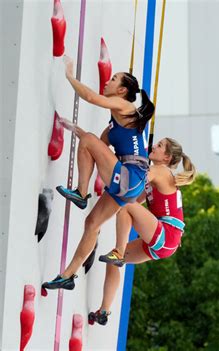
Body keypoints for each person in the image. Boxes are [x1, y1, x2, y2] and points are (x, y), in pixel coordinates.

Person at [42, 56, 155, 291]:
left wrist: (70, 76)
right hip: (129, 183)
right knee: (92, 223)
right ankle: (67, 275)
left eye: (113, 79)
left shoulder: (125, 106)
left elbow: (92, 98)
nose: (108, 81)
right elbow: (96, 148)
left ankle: (81, 194)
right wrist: (75, 130)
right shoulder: (114, 124)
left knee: (89, 140)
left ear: (122, 90)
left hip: (130, 177)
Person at [88, 138, 196, 326]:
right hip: (165, 242)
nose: (154, 146)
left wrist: (120, 160)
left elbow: (130, 184)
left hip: (167, 233)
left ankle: (118, 253)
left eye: (159, 146)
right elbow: (134, 198)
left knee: (126, 208)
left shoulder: (160, 171)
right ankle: (104, 311)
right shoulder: (157, 177)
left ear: (167, 157)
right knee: (112, 263)